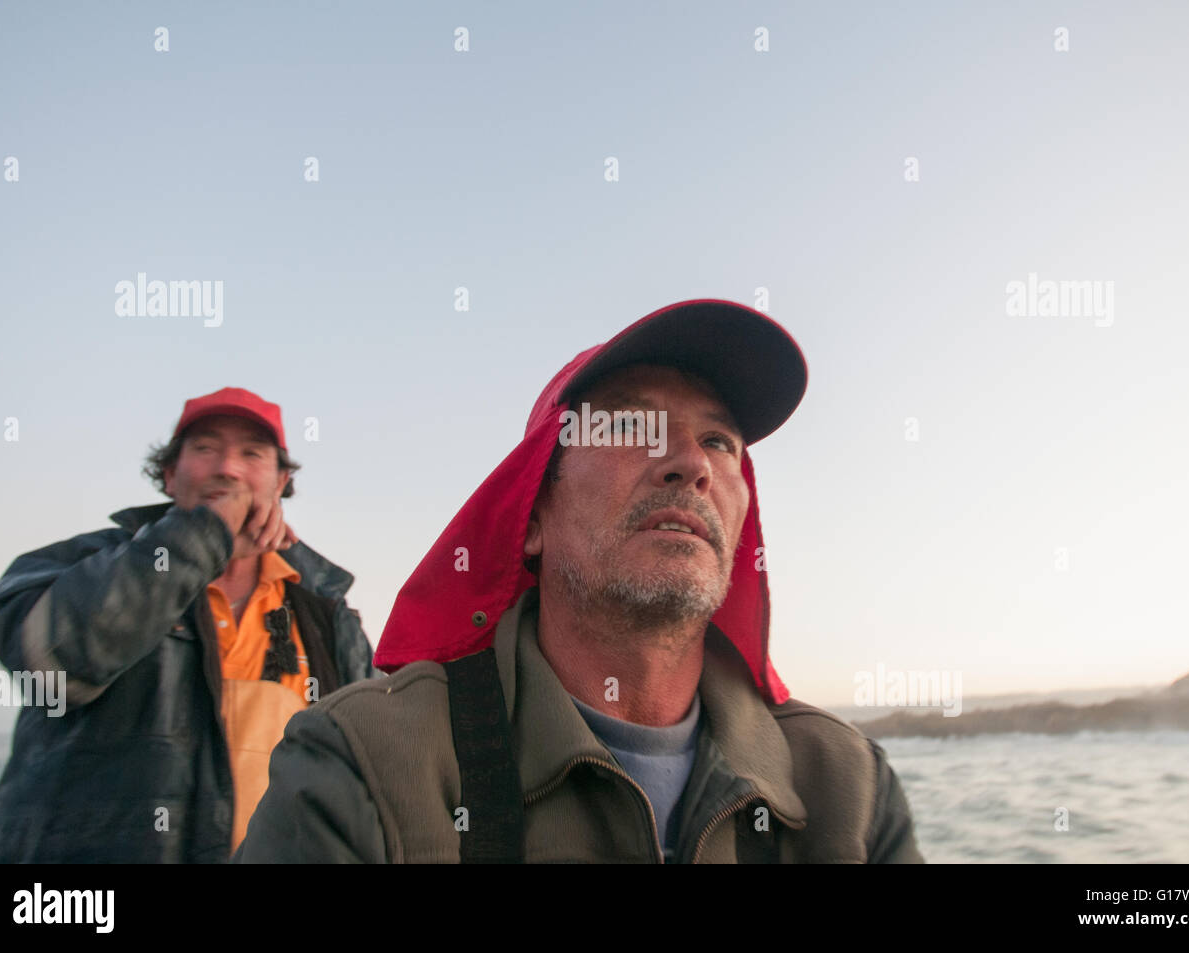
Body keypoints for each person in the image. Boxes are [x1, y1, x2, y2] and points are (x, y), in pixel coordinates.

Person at [237, 302, 923, 863]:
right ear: (530, 516)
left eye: (720, 441)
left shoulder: (849, 788)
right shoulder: (365, 763)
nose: (690, 462)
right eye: (630, 423)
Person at [0, 386, 374, 862]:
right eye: (205, 448)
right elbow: (53, 667)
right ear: (170, 474)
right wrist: (203, 534)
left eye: (252, 453)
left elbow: (371, 770)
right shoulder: (82, 565)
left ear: (281, 481)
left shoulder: (326, 610)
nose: (227, 468)